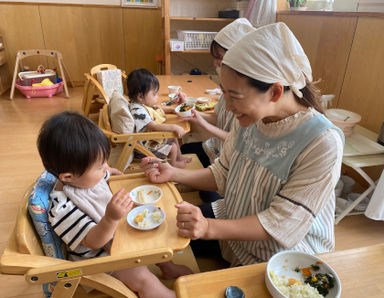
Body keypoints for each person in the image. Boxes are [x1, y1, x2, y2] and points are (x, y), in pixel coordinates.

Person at [141, 22, 344, 269]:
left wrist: (208, 228)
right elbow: (223, 173)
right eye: (224, 93)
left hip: (283, 254)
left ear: (276, 92)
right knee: (159, 230)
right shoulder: (251, 118)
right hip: (234, 217)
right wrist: (174, 173)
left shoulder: (321, 142)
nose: (227, 106)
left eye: (234, 96)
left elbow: (280, 222)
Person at [37, 111, 175, 298]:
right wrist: (110, 218)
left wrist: (111, 171)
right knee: (143, 278)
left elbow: (101, 176)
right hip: (100, 261)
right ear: (68, 177)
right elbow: (93, 242)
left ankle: (168, 267)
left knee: (152, 239)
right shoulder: (62, 209)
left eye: (105, 163)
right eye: (100, 167)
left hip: (115, 239)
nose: (105, 170)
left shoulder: (84, 177)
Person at [180, 18, 255, 202]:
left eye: (219, 58)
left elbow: (238, 139)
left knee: (206, 193)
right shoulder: (229, 87)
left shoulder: (251, 97)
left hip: (231, 160)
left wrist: (203, 123)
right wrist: (195, 115)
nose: (216, 64)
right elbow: (218, 116)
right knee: (185, 149)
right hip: (220, 151)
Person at [127, 68, 192, 168]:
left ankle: (179, 158)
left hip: (150, 139)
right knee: (173, 147)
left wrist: (171, 110)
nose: (157, 96)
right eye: (154, 94)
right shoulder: (137, 111)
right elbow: (154, 126)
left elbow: (157, 109)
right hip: (144, 147)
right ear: (140, 96)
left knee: (173, 137)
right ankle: (173, 164)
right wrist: (174, 127)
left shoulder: (141, 104)